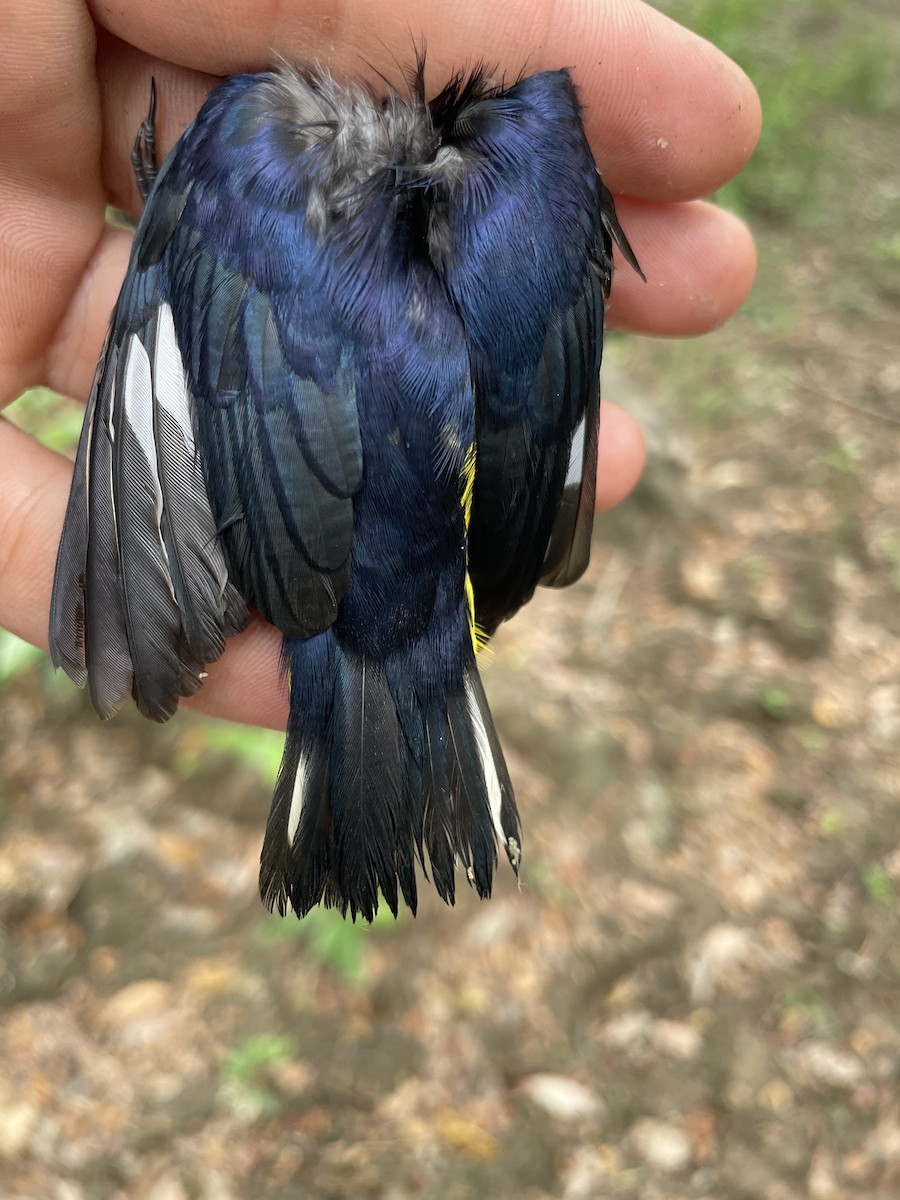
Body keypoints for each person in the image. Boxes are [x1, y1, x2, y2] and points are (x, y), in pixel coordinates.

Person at [0, 0, 760, 732]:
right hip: (416, 568)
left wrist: (180, 232)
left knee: (237, 161)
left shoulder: (242, 162)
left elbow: (175, 345)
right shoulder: (542, 157)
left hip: (360, 559)